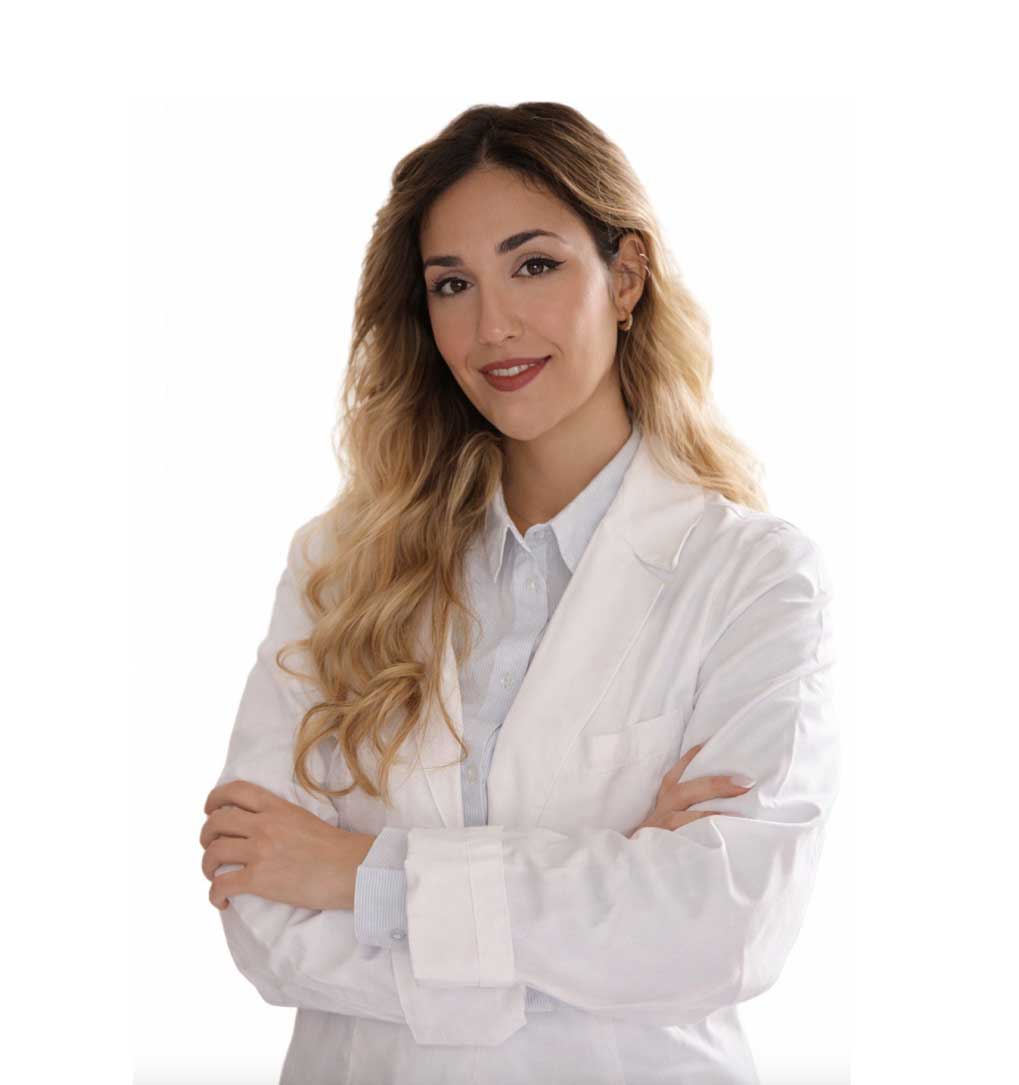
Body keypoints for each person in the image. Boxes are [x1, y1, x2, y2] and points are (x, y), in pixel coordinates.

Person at [199, 101, 840, 1084]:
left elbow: (722, 930)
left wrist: (358, 873)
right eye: (451, 283)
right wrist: (598, 906)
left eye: (532, 264)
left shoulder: (752, 577)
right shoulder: (337, 568)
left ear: (624, 277)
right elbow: (260, 907)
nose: (490, 324)